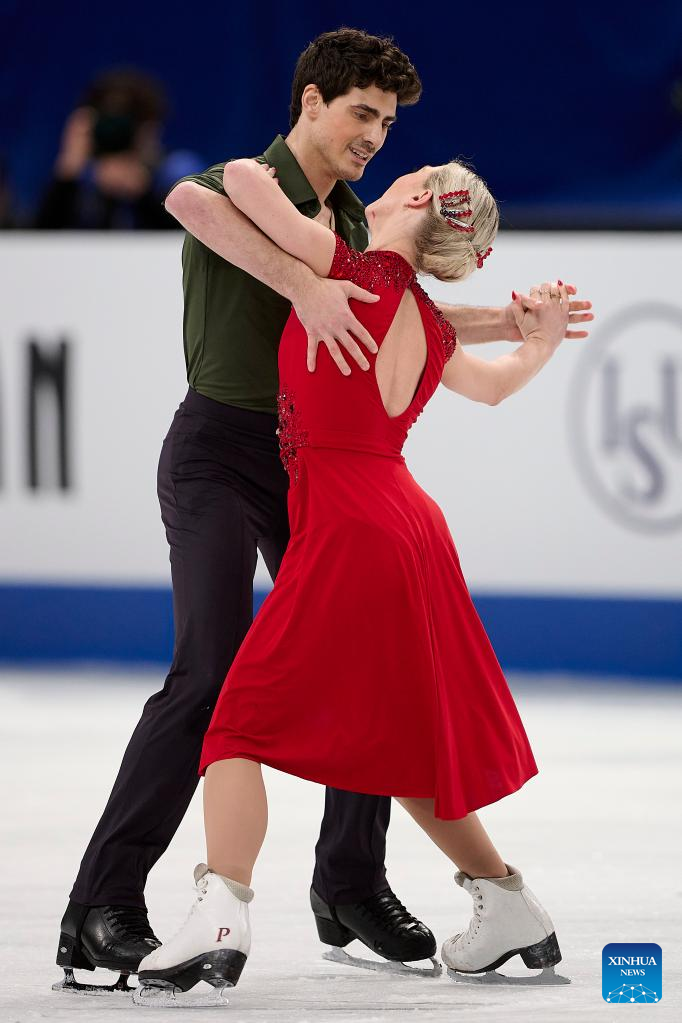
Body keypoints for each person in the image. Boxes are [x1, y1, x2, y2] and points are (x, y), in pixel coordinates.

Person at [54, 28, 592, 995]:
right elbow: (193, 202)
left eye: (389, 125)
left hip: (317, 471)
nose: (376, 137)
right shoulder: (264, 185)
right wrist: (308, 286)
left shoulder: (353, 224)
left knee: (363, 675)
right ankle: (104, 903)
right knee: (213, 674)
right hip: (227, 453)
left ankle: (347, 881)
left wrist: (509, 319)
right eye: (363, 114)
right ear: (311, 101)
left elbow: (397, 302)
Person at [35, 68, 201, 230]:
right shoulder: (81, 178)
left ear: (151, 127)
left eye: (127, 121)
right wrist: (66, 175)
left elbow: (196, 236)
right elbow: (36, 239)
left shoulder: (175, 171)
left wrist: (143, 192)